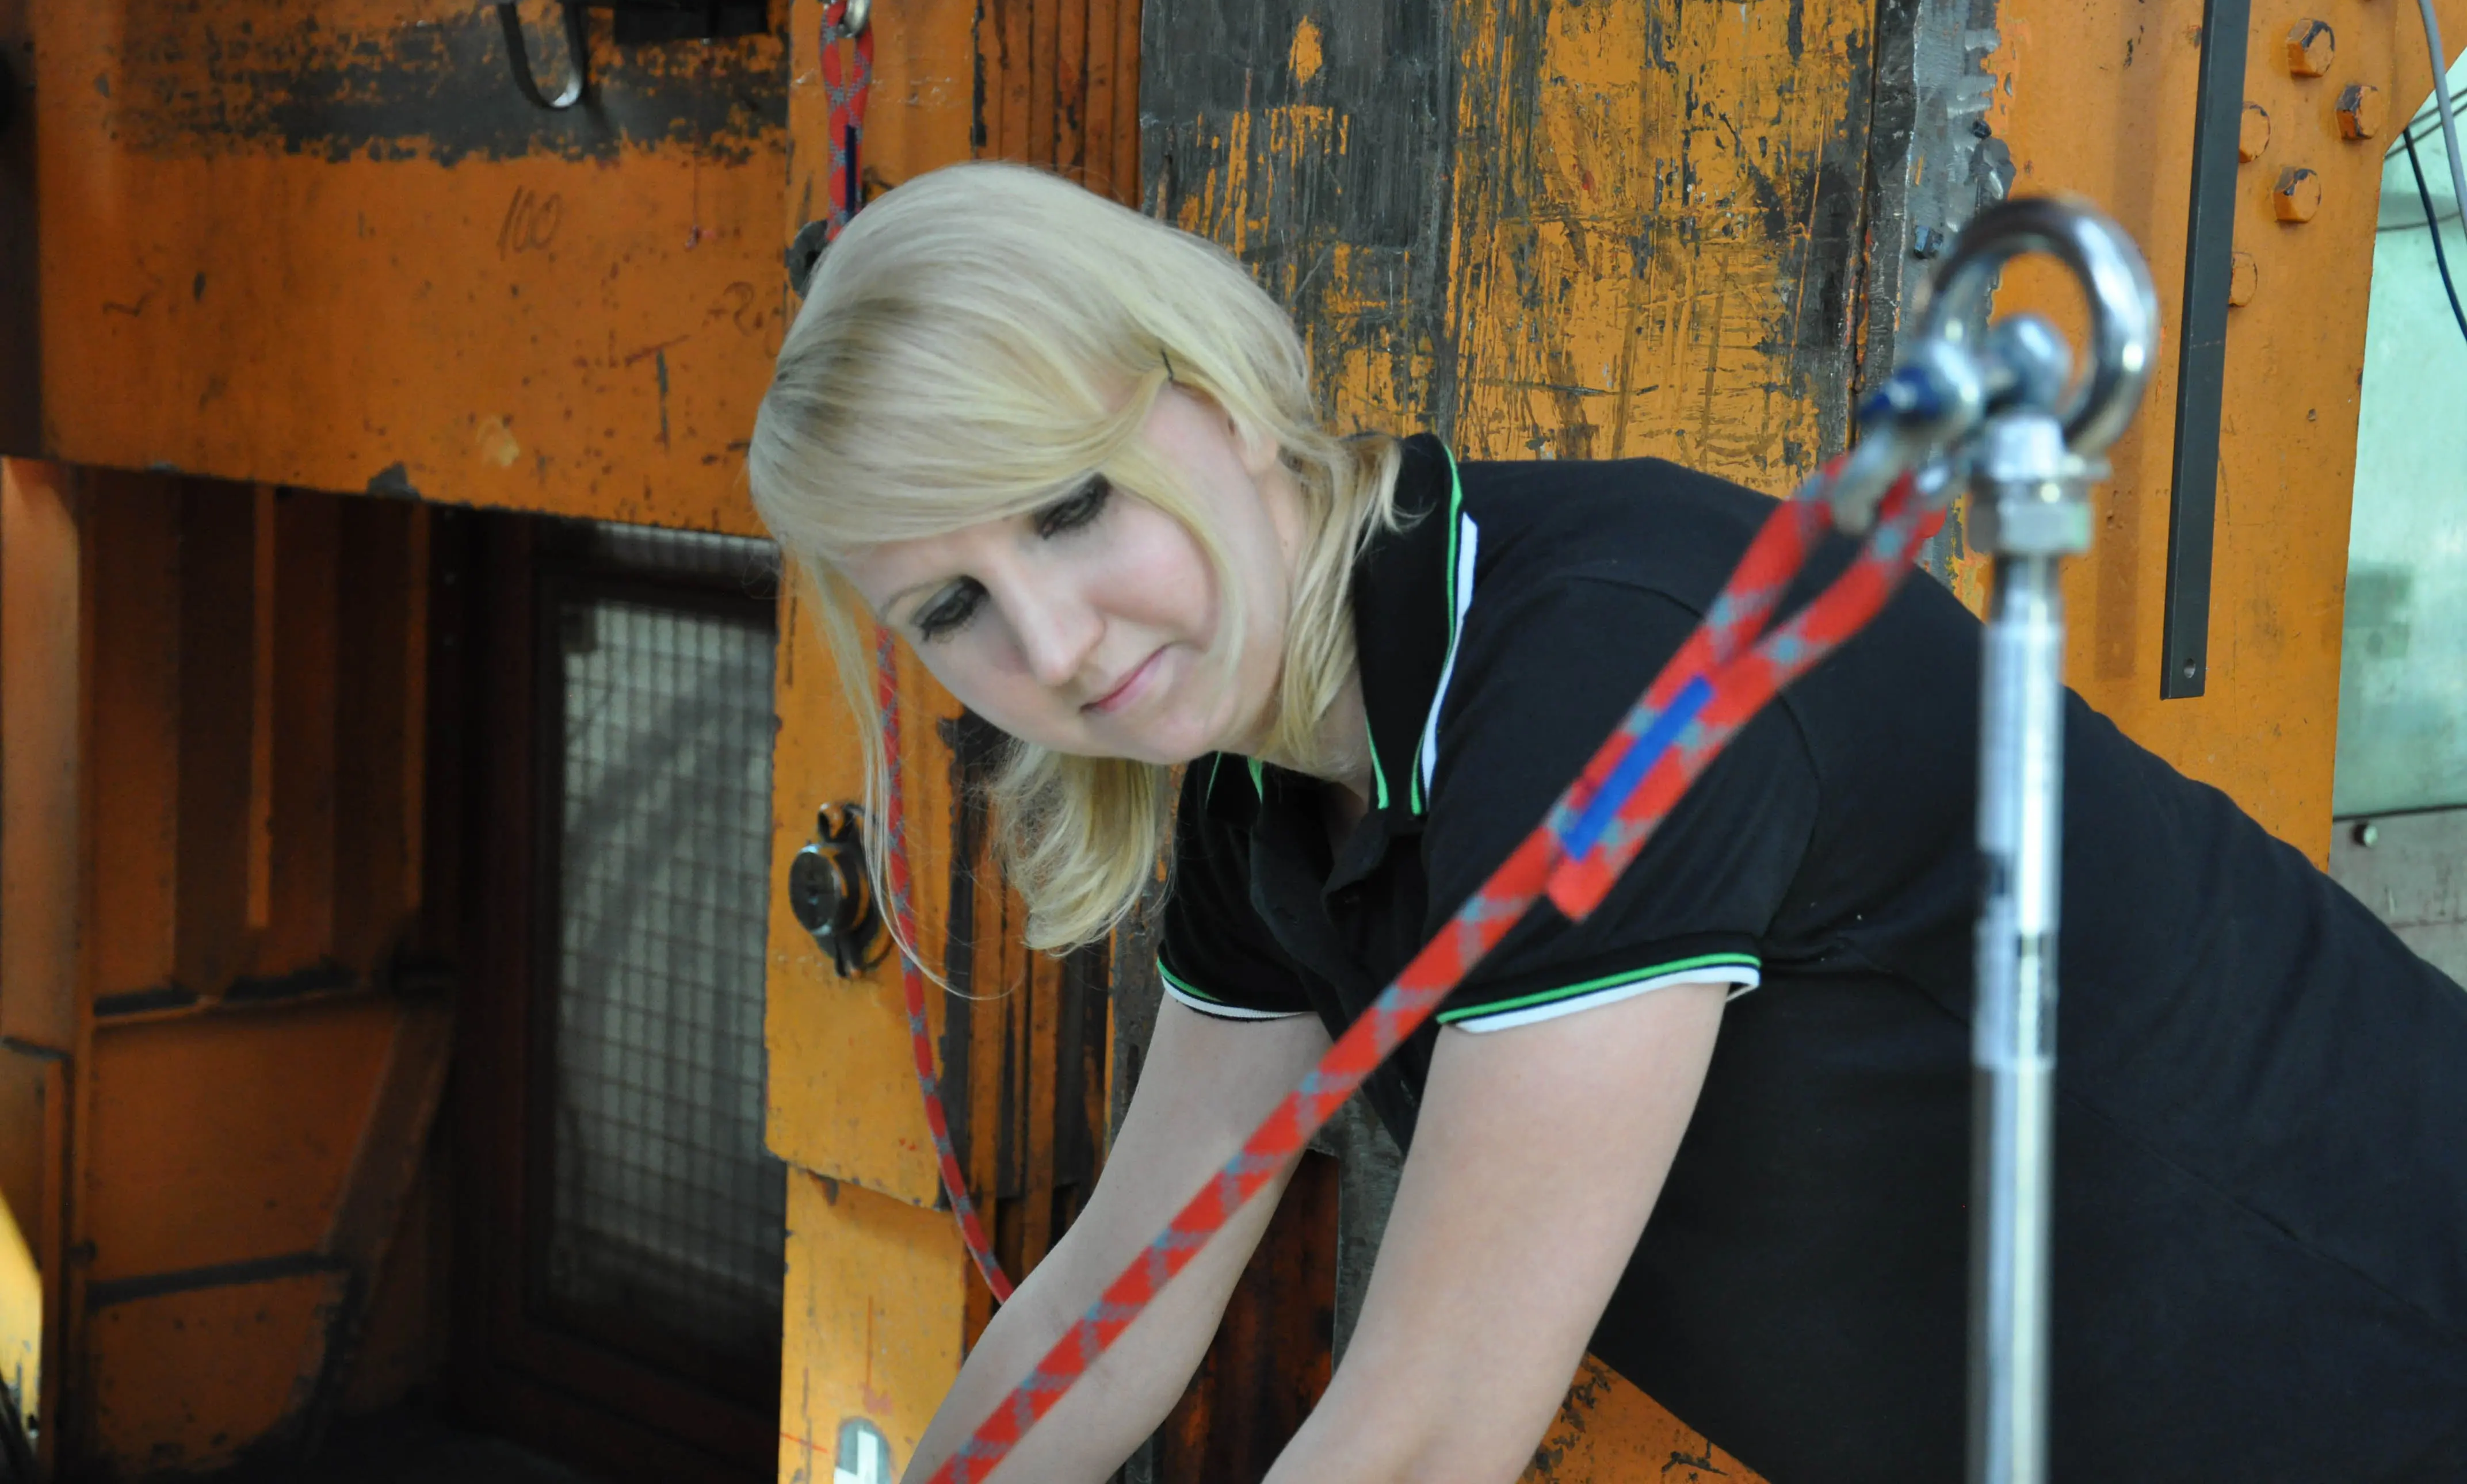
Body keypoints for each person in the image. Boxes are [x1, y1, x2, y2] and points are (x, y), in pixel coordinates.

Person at [748, 162, 2467, 1483]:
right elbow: (1117, 1297)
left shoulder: (1607, 674)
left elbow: (1426, 1435)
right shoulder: (1264, 793)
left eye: (1067, 508)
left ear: (1212, 393)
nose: (1050, 645)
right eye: (949, 611)